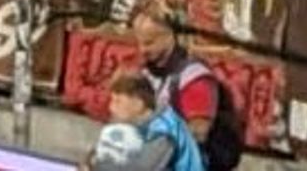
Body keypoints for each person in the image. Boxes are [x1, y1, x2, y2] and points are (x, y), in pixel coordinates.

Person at [133, 9, 243, 171]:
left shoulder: (194, 77)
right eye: (139, 43)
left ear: (169, 37)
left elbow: (198, 134)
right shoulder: (147, 74)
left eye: (149, 43)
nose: (142, 50)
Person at [86, 70, 204, 171]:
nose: (111, 107)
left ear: (138, 103)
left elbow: (143, 168)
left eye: (118, 101)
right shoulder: (126, 119)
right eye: (112, 100)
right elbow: (101, 150)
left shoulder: (164, 129)